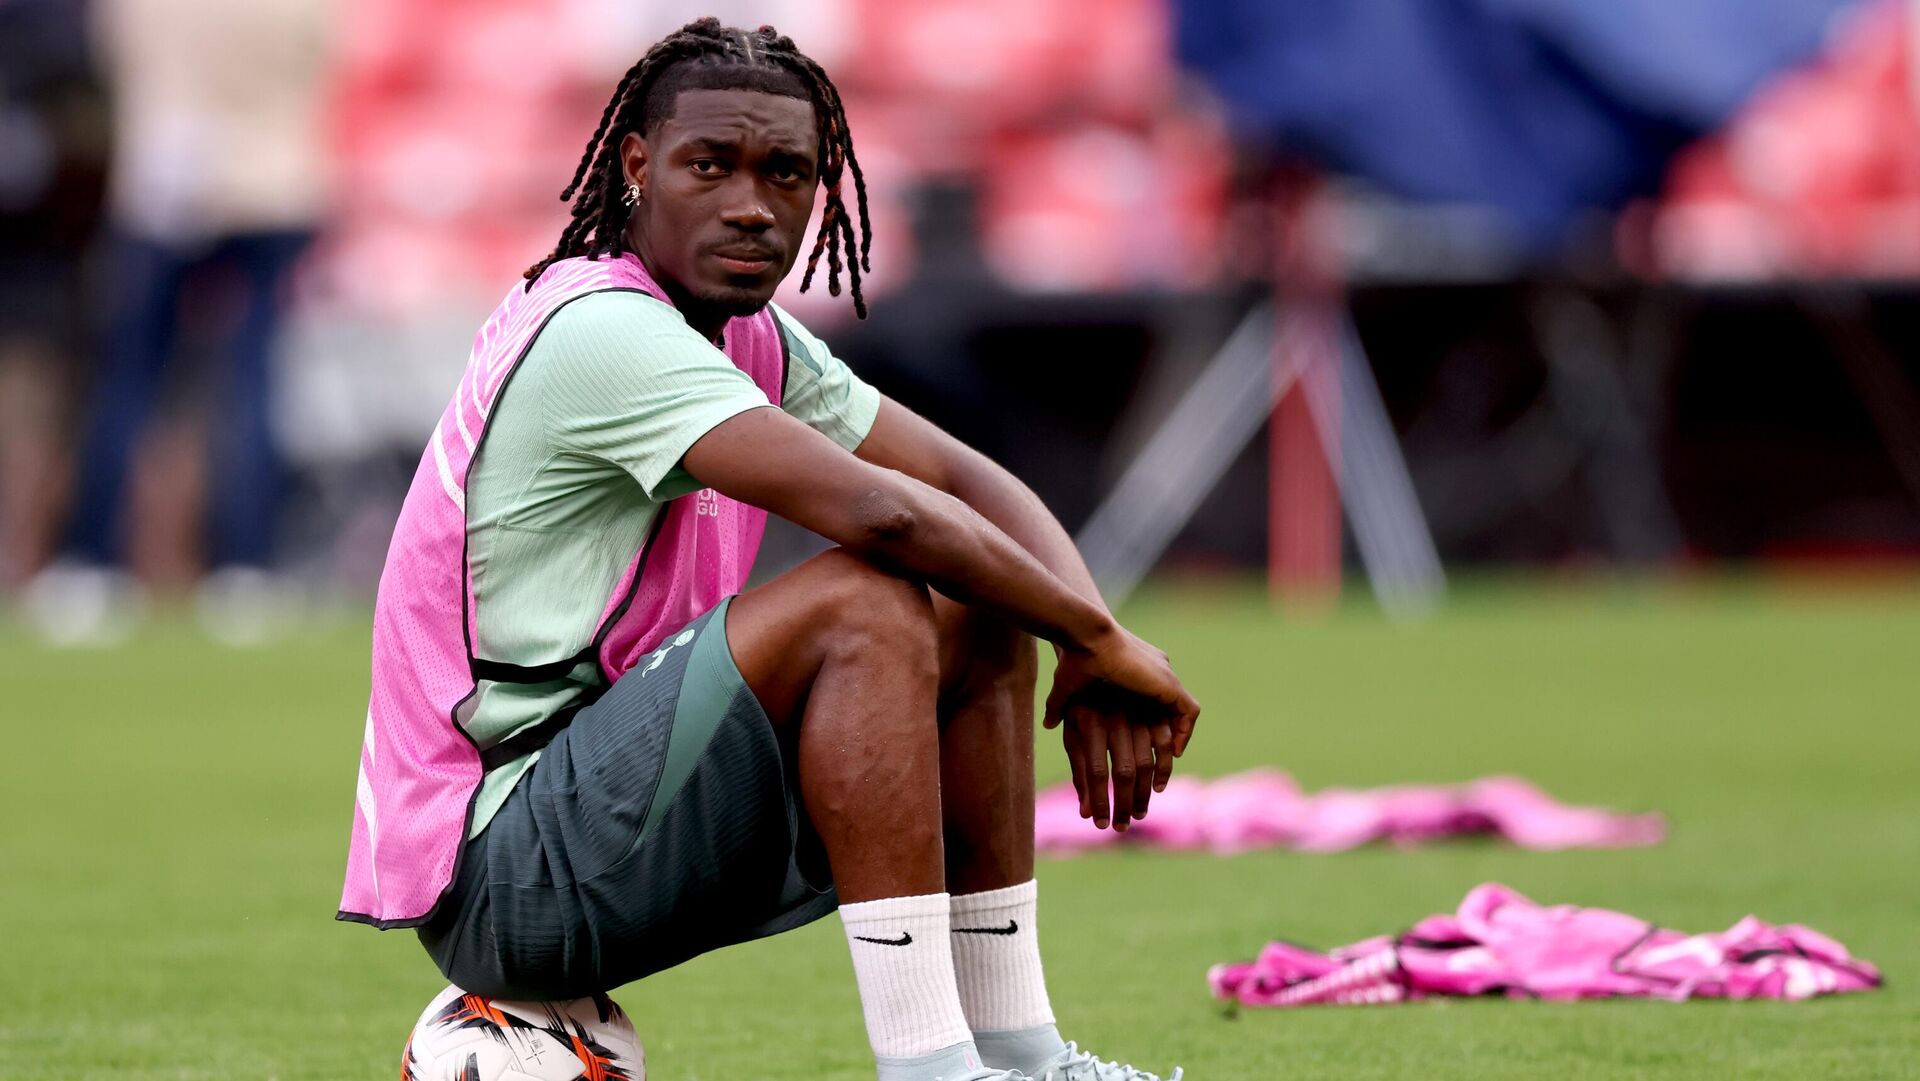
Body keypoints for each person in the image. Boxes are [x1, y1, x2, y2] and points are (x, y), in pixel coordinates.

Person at [340, 19, 1200, 1081]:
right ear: (637, 165)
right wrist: (1094, 639)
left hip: (604, 809)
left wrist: (1088, 633)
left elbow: (969, 481)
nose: (752, 204)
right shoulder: (602, 329)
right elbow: (888, 516)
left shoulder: (747, 336)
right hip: (500, 874)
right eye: (711, 165)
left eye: (786, 173)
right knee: (867, 600)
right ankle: (936, 1072)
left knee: (981, 603)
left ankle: (1025, 1057)